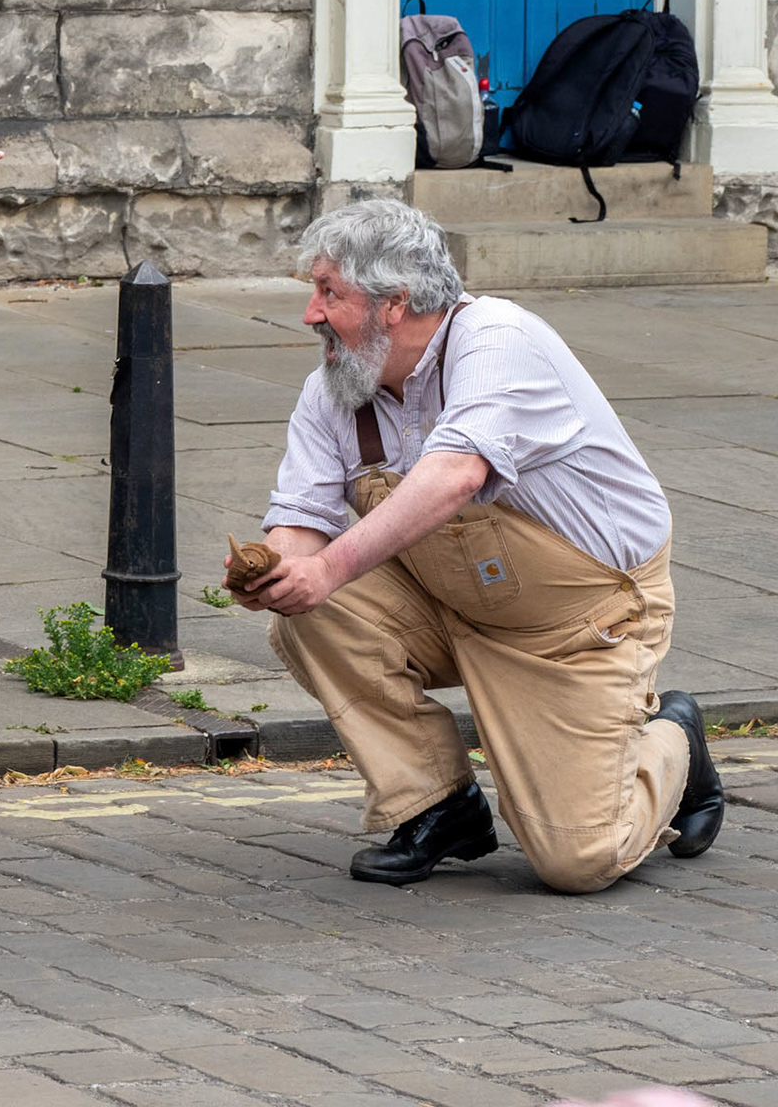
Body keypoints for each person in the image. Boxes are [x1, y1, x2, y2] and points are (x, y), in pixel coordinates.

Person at [229, 200, 723, 894]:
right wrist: (278, 569)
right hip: (444, 602)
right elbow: (302, 515)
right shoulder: (333, 389)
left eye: (328, 293)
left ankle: (675, 738)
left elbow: (456, 474)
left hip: (575, 628)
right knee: (309, 607)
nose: (311, 313)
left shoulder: (498, 340)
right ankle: (437, 807)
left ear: (393, 302)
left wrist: (327, 567)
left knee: (579, 861)